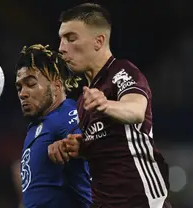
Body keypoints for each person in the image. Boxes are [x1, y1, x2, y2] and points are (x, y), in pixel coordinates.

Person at [48, 3, 172, 208]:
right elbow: (111, 143)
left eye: (71, 38)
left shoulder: (121, 72)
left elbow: (136, 109)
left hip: (140, 201)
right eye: (61, 39)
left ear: (99, 41)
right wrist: (79, 147)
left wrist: (106, 104)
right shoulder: (84, 99)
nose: (61, 48)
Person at [14, 44, 92, 208]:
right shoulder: (35, 128)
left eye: (31, 84)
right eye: (19, 87)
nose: (23, 93)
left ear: (56, 86)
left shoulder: (67, 113)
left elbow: (91, 138)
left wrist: (72, 144)